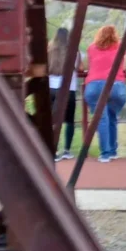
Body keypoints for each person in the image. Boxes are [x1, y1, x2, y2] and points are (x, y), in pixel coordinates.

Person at [83, 24, 126, 163]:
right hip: (116, 86)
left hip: (94, 86)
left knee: (101, 119)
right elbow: (125, 67)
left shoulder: (91, 48)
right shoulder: (120, 47)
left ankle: (105, 154)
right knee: (112, 117)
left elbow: (85, 66)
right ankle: (113, 151)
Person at [47, 27, 81, 161]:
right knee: (69, 121)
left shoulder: (49, 50)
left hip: (51, 88)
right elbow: (80, 67)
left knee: (52, 121)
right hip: (68, 89)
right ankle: (66, 150)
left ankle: (53, 150)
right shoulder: (74, 52)